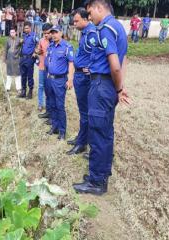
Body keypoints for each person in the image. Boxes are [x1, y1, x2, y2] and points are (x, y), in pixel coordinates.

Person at [73, 0, 130, 195]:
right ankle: (102, 174)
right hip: (108, 86)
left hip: (101, 84)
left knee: (97, 132)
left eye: (90, 13)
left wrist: (119, 86)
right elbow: (124, 62)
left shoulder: (106, 28)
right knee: (105, 131)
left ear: (99, 8)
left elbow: (114, 64)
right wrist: (119, 88)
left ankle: (96, 182)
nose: (90, 17)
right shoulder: (119, 28)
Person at [66, 7, 97, 155]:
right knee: (83, 111)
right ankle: (82, 138)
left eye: (77, 21)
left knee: (85, 113)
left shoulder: (92, 33)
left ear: (86, 19)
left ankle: (82, 144)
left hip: (85, 78)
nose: (74, 24)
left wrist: (91, 67)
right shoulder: (85, 33)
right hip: (79, 76)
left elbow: (99, 53)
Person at [44, 25, 74, 140]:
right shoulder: (51, 46)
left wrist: (70, 79)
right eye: (52, 32)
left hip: (60, 80)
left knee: (59, 105)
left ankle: (62, 131)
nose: (54, 34)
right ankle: (55, 126)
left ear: (61, 32)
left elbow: (71, 63)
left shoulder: (67, 46)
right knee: (52, 103)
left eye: (56, 32)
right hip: (50, 78)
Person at [17, 22, 39, 99]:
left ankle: (30, 92)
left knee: (29, 76)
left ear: (30, 28)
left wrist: (35, 52)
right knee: (23, 75)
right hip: (22, 58)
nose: (25, 30)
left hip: (30, 58)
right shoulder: (23, 36)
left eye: (27, 28)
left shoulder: (34, 36)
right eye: (24, 28)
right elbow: (19, 45)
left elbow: (38, 45)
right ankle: (23, 91)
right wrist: (20, 42)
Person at [35, 23, 53, 112]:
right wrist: (38, 51)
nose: (46, 35)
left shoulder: (55, 40)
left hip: (52, 70)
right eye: (44, 33)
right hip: (42, 67)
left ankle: (49, 106)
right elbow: (37, 50)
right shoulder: (41, 41)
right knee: (41, 86)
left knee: (50, 87)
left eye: (48, 33)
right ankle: (40, 104)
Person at [4, 28, 22, 94]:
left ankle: (19, 88)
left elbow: (22, 47)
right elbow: (5, 49)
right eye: (11, 32)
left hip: (16, 59)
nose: (12, 34)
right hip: (9, 59)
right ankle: (7, 88)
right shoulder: (8, 40)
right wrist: (5, 58)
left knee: (17, 74)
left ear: (15, 32)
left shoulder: (19, 40)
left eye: (13, 32)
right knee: (9, 74)